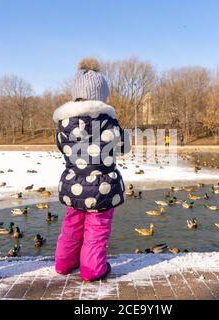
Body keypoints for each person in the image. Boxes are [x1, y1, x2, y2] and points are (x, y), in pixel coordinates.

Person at [53, 58, 131, 282]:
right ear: (101, 97)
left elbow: (61, 147)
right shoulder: (108, 123)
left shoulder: (63, 125)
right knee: (96, 231)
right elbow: (125, 146)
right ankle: (92, 270)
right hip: (102, 187)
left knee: (71, 226)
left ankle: (63, 264)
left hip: (72, 185)